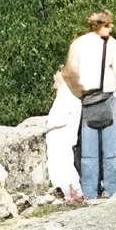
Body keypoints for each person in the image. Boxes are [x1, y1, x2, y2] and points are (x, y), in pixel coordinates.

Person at [68, 11, 116, 199]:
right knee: (112, 149)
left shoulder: (77, 44)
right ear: (98, 25)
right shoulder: (113, 45)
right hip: (109, 97)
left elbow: (69, 73)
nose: (111, 28)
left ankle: (90, 192)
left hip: (87, 98)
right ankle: (115, 189)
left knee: (88, 150)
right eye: (108, 25)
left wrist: (78, 93)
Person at [42, 60, 83, 202]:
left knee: (64, 165)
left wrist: (48, 125)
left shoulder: (69, 96)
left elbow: (62, 118)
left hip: (63, 137)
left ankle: (73, 191)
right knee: (57, 166)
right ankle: (66, 192)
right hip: (57, 138)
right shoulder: (63, 95)